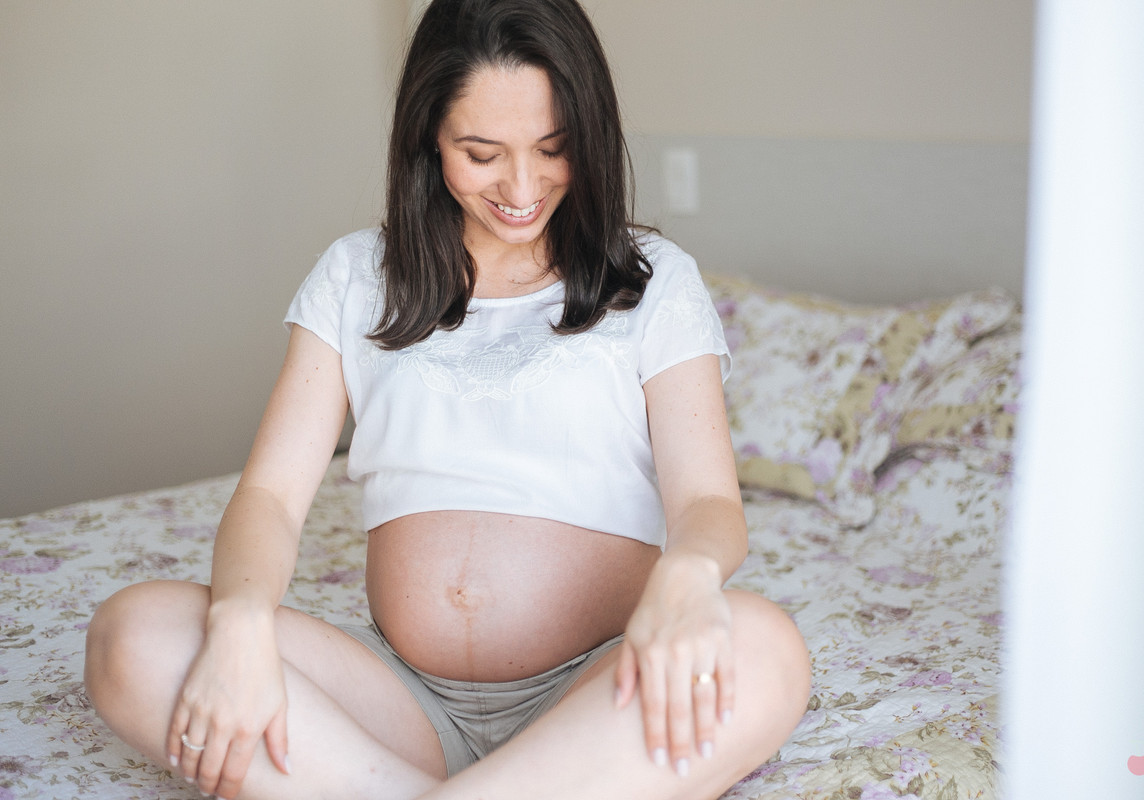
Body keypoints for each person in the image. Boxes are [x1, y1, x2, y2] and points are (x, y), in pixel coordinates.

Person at [83, 1, 811, 798]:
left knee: (765, 649)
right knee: (133, 636)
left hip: (601, 690)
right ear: (429, 134)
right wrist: (241, 625)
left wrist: (691, 574)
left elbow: (708, 502)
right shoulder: (357, 277)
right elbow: (270, 499)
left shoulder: (655, 281)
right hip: (399, 702)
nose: (523, 187)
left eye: (554, 148)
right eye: (482, 154)